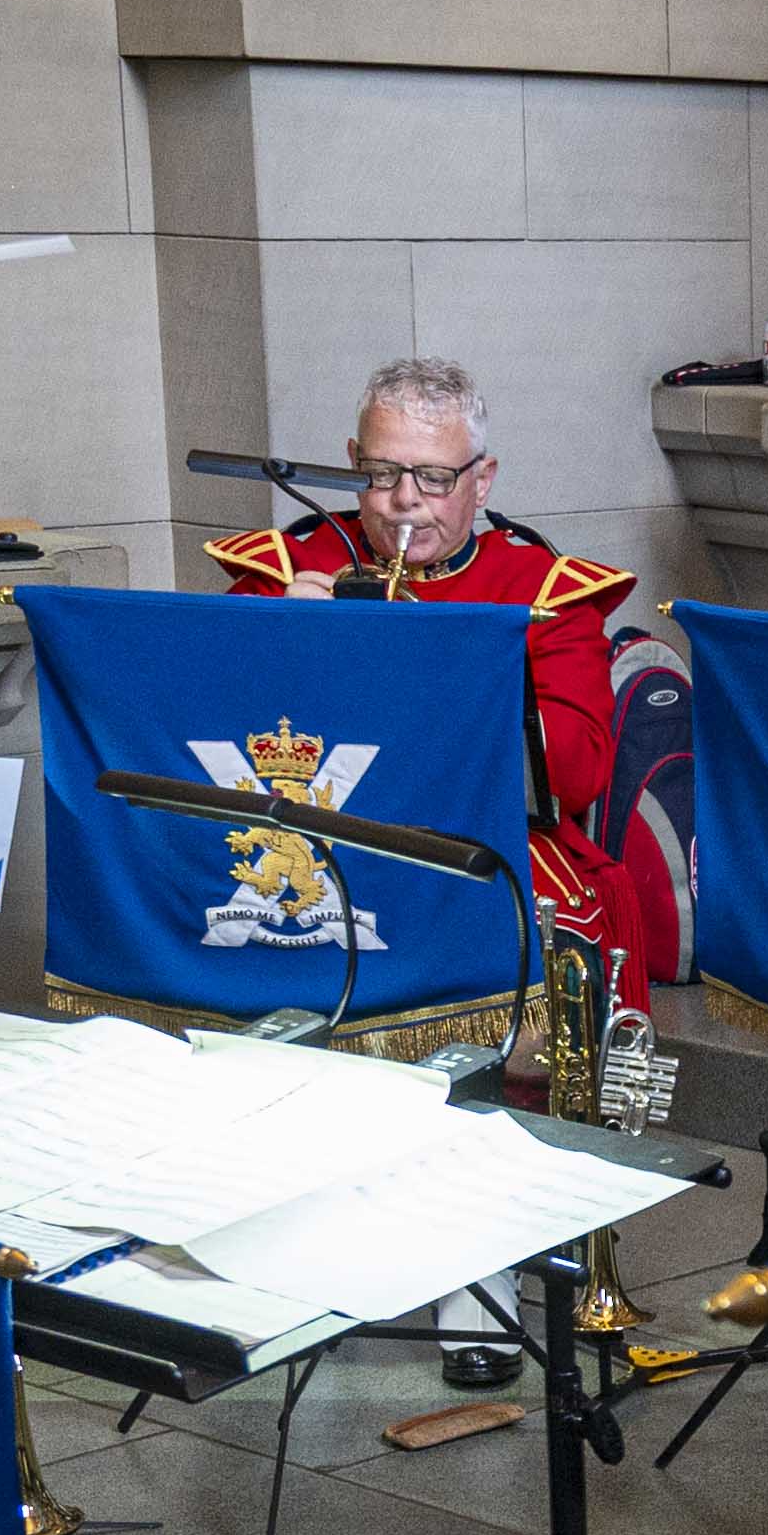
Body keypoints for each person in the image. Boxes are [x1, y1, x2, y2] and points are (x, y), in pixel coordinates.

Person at [204, 353, 685, 1031]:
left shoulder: (540, 590)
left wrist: (422, 670)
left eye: (434, 477)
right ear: (351, 462)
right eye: (380, 473)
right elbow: (205, 726)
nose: (405, 499)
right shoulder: (288, 568)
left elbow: (572, 775)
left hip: (482, 838)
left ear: (481, 480)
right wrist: (278, 639)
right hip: (315, 828)